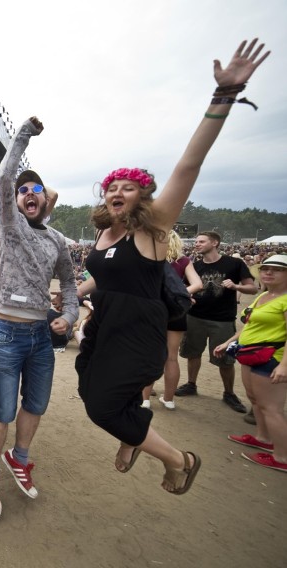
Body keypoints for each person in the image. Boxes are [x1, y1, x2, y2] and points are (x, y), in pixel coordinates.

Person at [75, 38, 269, 495]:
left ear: (144, 196)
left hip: (139, 333)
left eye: (129, 186)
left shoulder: (152, 230)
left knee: (101, 408)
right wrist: (72, 298)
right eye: (111, 187)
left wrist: (221, 98)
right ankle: (136, 431)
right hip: (104, 327)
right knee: (88, 390)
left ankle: (181, 459)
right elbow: (98, 278)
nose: (117, 191)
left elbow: (189, 165)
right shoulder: (104, 235)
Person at [0, 121, 78, 519]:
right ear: (15, 201)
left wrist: (68, 316)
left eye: (36, 190)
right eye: (24, 191)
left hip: (41, 334)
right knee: (2, 408)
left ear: (44, 200)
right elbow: (4, 177)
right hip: (6, 332)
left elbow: (70, 285)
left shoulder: (56, 240)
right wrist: (22, 136)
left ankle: (19, 458)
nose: (29, 194)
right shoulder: (9, 225)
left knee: (36, 403)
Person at [216, 254, 287, 472]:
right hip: (251, 353)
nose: (268, 272)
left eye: (276, 269)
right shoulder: (264, 296)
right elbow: (249, 326)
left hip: (272, 358)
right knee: (255, 399)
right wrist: (228, 342)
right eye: (265, 268)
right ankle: (263, 438)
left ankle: (282, 457)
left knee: (272, 408)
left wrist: (284, 365)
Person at [176, 231, 255, 414]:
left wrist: (236, 286)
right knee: (192, 353)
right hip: (195, 316)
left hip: (222, 319)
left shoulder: (234, 263)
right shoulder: (194, 266)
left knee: (225, 359)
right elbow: (184, 287)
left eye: (201, 241)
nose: (196, 244)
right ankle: (191, 384)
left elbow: (252, 288)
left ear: (215, 243)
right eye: (196, 241)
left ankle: (229, 393)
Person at [142, 231, 202, 409]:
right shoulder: (183, 261)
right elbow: (198, 284)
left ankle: (144, 399)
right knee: (172, 358)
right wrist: (180, 295)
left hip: (153, 311)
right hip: (176, 312)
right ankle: (168, 400)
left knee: (150, 355)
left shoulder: (149, 258)